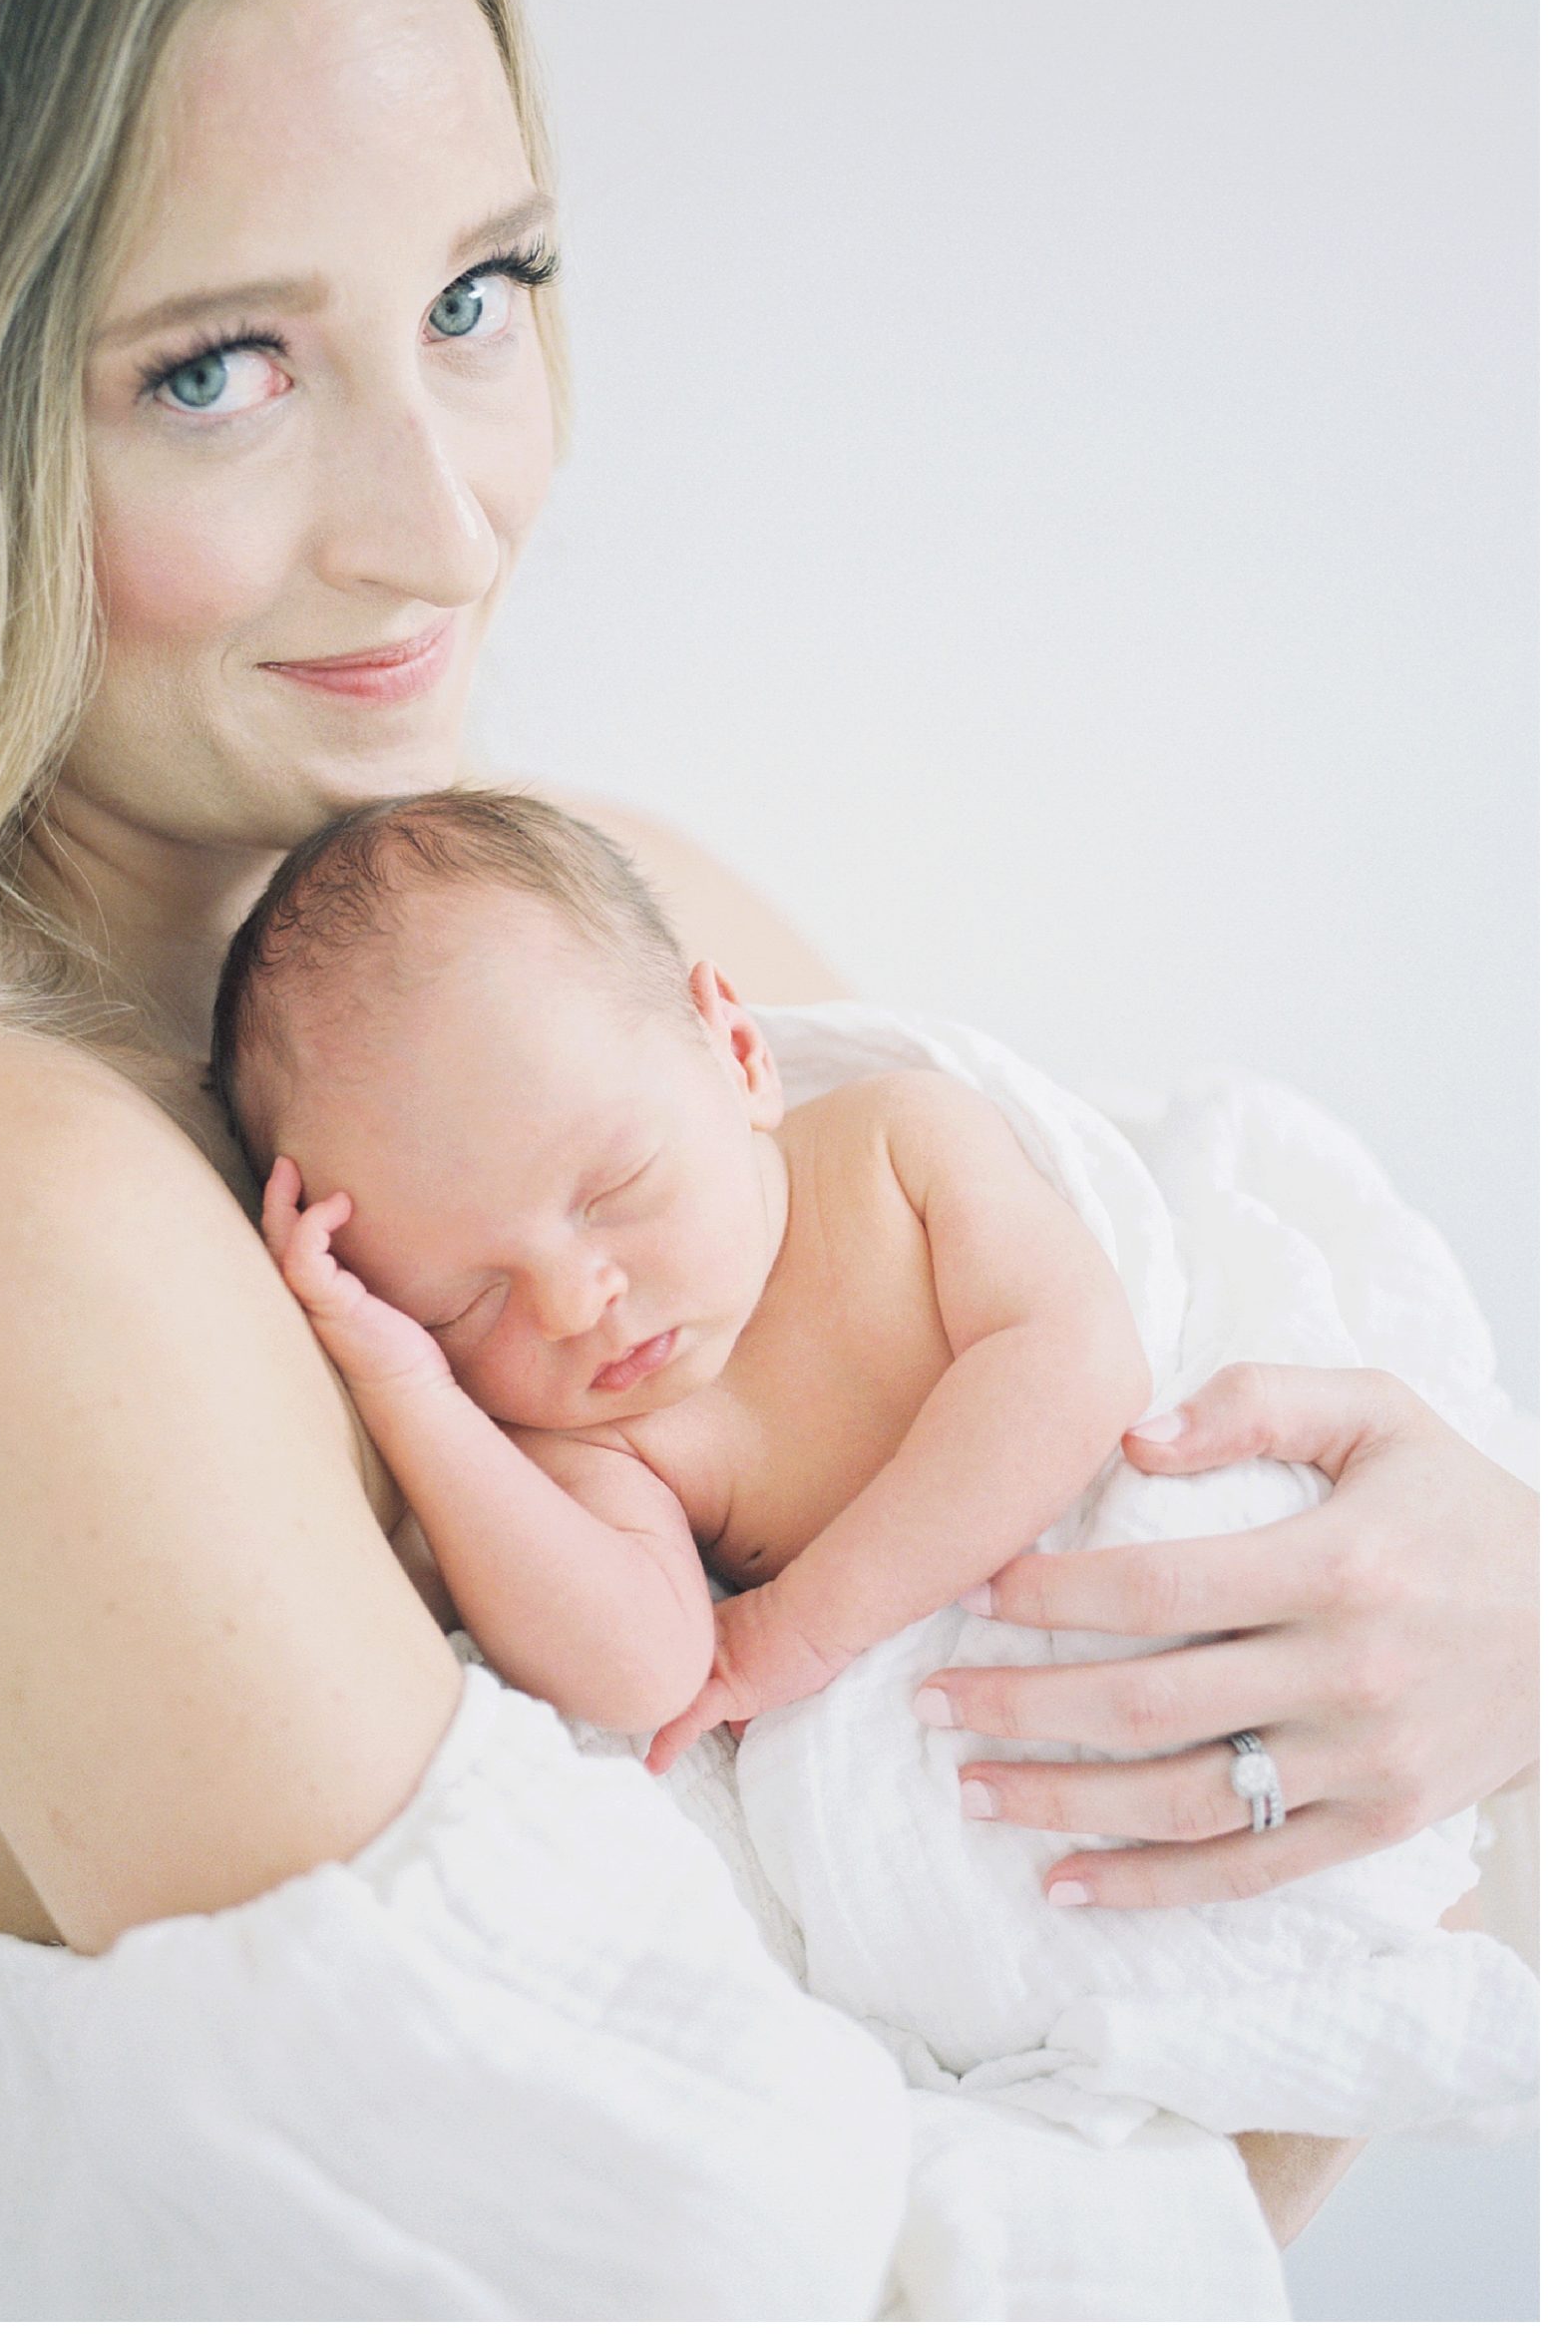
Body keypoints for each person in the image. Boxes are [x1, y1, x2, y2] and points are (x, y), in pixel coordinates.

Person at [0, 0, 1537, 2320]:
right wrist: (1459, 1844)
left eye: (476, 292)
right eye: (212, 369)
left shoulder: (635, 910)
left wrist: (1478, 1625)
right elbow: (821, 2292)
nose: (443, 525)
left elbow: (1129, 1453)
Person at [209, 785, 1536, 2147]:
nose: (574, 1302)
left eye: (615, 1193)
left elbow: (1077, 1364)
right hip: (995, 1778)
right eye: (463, 1299)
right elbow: (638, 1666)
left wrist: (800, 1623)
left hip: (1173, 1548)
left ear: (735, 1053)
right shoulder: (604, 1435)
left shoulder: (897, 1150)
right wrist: (412, 1390)